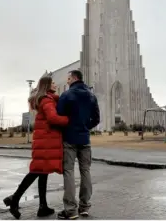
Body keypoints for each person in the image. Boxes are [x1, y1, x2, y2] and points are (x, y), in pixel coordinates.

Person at [3, 76, 68, 219]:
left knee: (42, 173)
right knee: (36, 171)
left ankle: (42, 206)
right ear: (47, 85)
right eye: (53, 82)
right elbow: (53, 118)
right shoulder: (46, 100)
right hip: (46, 142)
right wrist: (67, 119)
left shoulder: (46, 99)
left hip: (44, 141)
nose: (55, 84)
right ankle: (14, 199)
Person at [56, 70, 100, 220]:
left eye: (68, 78)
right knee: (85, 171)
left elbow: (59, 116)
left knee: (68, 171)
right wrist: (85, 127)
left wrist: (69, 127)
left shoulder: (66, 95)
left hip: (69, 138)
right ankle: (84, 206)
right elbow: (96, 119)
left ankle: (70, 210)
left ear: (74, 78)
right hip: (85, 139)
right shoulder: (91, 95)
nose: (67, 81)